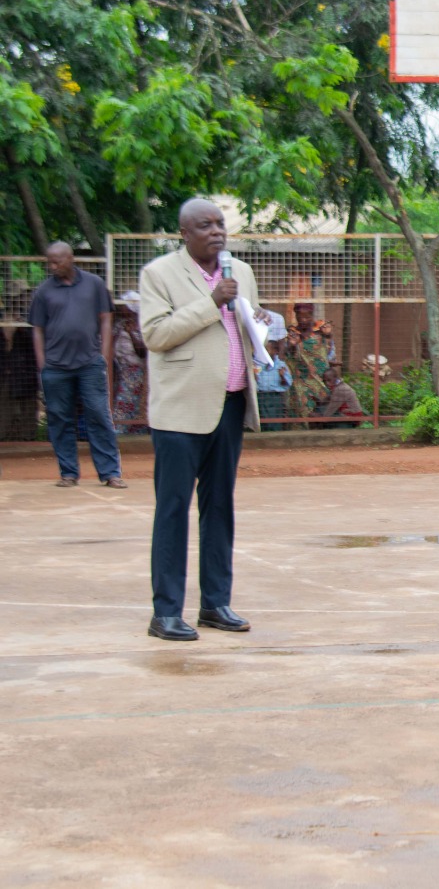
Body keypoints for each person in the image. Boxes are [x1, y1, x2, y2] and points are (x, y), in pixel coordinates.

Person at [140, 198, 269, 641]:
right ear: (184, 233)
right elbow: (156, 335)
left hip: (230, 404)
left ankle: (215, 603)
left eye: (220, 224)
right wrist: (211, 303)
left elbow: (242, 328)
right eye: (205, 226)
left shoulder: (242, 273)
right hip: (180, 411)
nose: (216, 232)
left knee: (220, 508)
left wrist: (264, 324)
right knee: (173, 510)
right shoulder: (159, 274)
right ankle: (167, 613)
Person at [28, 242, 124, 488]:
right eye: (49, 261)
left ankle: (110, 472)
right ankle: (69, 473)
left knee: (99, 414)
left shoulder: (94, 284)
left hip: (89, 364)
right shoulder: (44, 291)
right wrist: (43, 364)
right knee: (60, 419)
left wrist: (102, 355)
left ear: (70, 258)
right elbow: (37, 330)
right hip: (56, 366)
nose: (52, 266)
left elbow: (105, 319)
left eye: (57, 261)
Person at [283, 302, 335, 427]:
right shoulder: (292, 333)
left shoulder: (320, 332)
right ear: (296, 316)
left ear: (312, 315)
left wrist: (328, 335)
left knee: (322, 409)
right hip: (300, 383)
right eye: (300, 317)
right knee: (300, 409)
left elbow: (330, 353)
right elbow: (286, 357)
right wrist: (292, 345)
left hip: (320, 380)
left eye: (307, 317)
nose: (304, 320)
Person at [110, 293, 148, 434]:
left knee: (131, 403)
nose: (121, 309)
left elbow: (142, 352)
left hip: (136, 372)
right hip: (121, 369)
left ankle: (126, 433)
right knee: (120, 402)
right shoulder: (119, 324)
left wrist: (131, 333)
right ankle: (120, 432)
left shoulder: (141, 325)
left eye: (125, 305)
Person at [254, 338, 292, 430]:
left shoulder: (280, 365)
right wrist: (254, 375)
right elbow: (256, 381)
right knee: (262, 420)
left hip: (274, 397)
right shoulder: (260, 365)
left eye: (268, 349)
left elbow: (287, 384)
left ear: (275, 351)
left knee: (274, 421)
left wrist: (282, 376)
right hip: (261, 396)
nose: (266, 352)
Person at [315, 360, 365, 429]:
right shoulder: (337, 386)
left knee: (314, 415)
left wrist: (320, 419)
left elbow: (330, 410)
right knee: (318, 411)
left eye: (329, 380)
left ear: (336, 378)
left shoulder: (340, 389)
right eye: (324, 381)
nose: (326, 383)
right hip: (347, 413)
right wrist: (320, 402)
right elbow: (329, 398)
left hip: (352, 417)